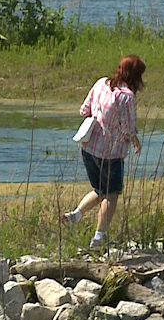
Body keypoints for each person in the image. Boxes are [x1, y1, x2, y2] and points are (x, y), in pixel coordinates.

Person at [60, 55, 146, 248]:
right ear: (135, 76)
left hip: (88, 148)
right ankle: (99, 238)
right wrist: (135, 141)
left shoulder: (100, 83)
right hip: (110, 152)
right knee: (112, 194)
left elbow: (85, 110)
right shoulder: (126, 96)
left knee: (99, 189)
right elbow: (127, 128)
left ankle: (76, 214)